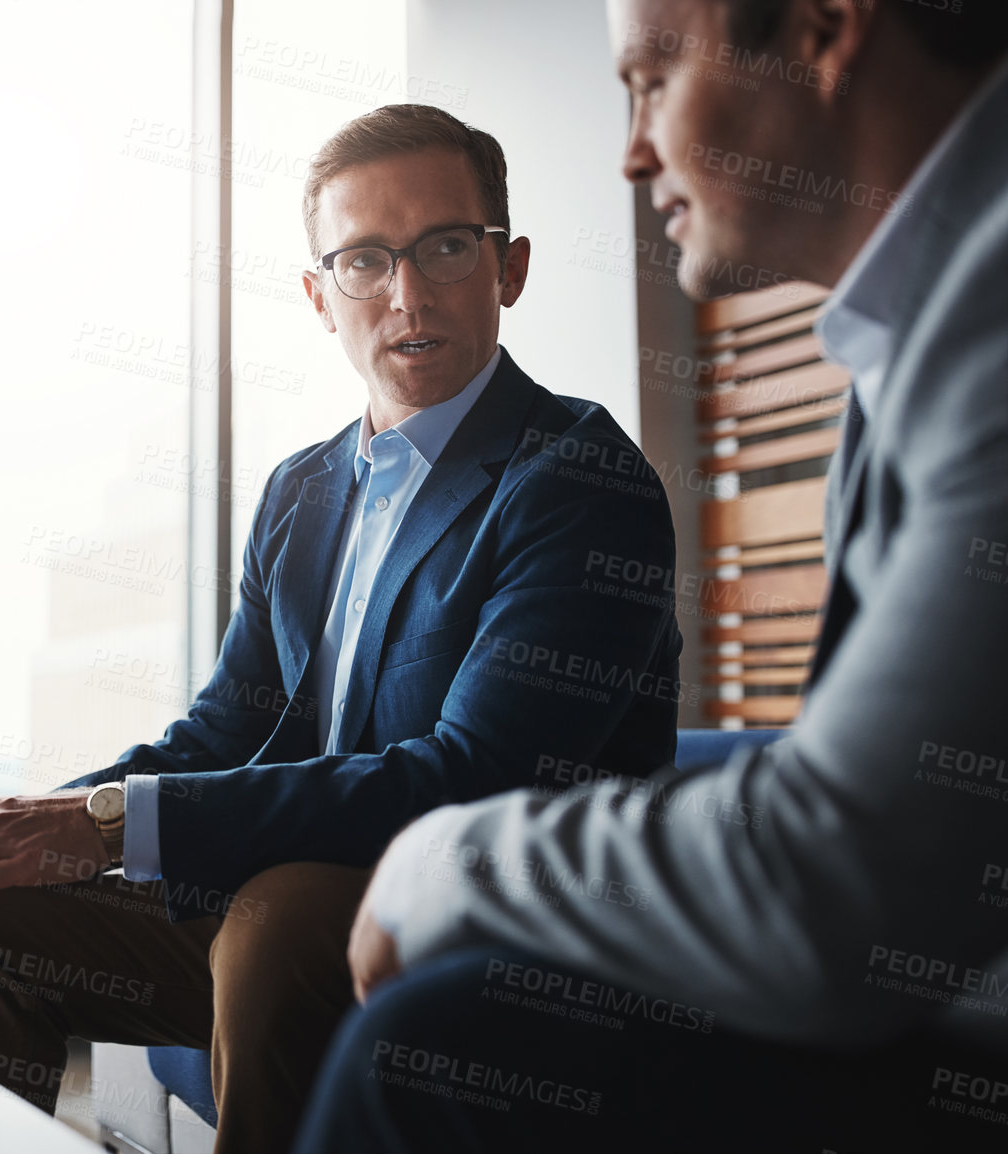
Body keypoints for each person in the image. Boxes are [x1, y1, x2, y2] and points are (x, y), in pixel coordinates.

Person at [0, 104, 684, 1153]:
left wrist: (104, 827)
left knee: (277, 913)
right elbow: (219, 732)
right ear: (316, 293)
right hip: (296, 916)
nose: (408, 292)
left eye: (445, 247)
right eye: (364, 260)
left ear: (507, 267)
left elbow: (474, 775)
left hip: (515, 928)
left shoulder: (576, 475)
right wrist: (15, 839)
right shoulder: (303, 490)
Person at [296, 2, 1008, 1150]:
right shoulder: (906, 345)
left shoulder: (980, 328)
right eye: (363, 260)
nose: (630, 152)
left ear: (825, 30)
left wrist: (449, 859)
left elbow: (836, 886)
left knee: (432, 1043)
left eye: (650, 81)